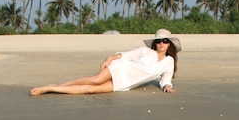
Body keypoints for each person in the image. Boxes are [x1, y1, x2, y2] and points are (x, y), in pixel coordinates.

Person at [29, 28, 181, 96]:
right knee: (94, 80)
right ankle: (52, 87)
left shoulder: (169, 61)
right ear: (155, 43)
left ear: (169, 44)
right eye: (159, 41)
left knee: (91, 90)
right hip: (120, 68)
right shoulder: (145, 51)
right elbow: (125, 55)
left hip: (125, 83)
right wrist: (110, 58)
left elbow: (166, 78)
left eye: (165, 41)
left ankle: (54, 89)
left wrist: (167, 86)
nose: (161, 43)